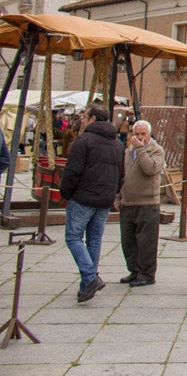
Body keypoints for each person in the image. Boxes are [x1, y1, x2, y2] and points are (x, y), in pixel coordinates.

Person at [59, 105, 124, 303]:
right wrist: (112, 193)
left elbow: (72, 171)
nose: (84, 120)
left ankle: (90, 276)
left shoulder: (84, 140)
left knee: (73, 237)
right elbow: (121, 176)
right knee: (94, 240)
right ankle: (86, 285)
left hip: (83, 197)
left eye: (86, 117)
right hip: (104, 198)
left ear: (93, 118)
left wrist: (66, 193)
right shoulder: (117, 144)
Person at [116, 119, 165, 288]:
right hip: (128, 203)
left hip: (147, 203)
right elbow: (123, 175)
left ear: (149, 134)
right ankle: (134, 270)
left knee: (146, 242)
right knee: (128, 241)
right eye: (136, 134)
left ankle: (147, 274)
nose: (139, 137)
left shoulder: (156, 151)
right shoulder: (128, 152)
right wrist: (118, 197)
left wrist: (140, 149)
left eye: (143, 134)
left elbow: (150, 169)